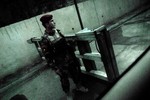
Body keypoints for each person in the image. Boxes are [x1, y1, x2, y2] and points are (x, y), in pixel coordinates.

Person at [39, 14, 88, 99]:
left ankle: (79, 87)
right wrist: (55, 68)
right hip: (60, 64)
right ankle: (68, 95)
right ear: (46, 24)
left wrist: (72, 43)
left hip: (69, 59)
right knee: (64, 80)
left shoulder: (58, 32)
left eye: (53, 20)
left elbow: (65, 43)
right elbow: (47, 56)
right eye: (52, 21)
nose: (54, 22)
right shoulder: (45, 39)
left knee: (75, 73)